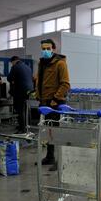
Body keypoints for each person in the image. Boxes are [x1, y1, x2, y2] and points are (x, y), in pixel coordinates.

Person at [35, 39, 70, 170]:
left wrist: (56, 98)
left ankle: (60, 161)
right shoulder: (42, 63)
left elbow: (65, 83)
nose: (45, 51)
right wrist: (38, 95)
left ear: (53, 49)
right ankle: (50, 157)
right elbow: (40, 81)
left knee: (56, 132)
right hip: (44, 102)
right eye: (43, 48)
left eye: (48, 48)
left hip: (55, 102)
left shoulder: (60, 63)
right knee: (48, 131)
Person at [7, 56, 33, 134]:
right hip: (29, 91)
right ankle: (26, 125)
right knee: (25, 109)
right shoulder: (27, 67)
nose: (12, 64)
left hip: (20, 91)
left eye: (11, 63)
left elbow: (9, 78)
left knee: (20, 110)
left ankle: (22, 129)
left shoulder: (15, 66)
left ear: (13, 61)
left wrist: (13, 81)